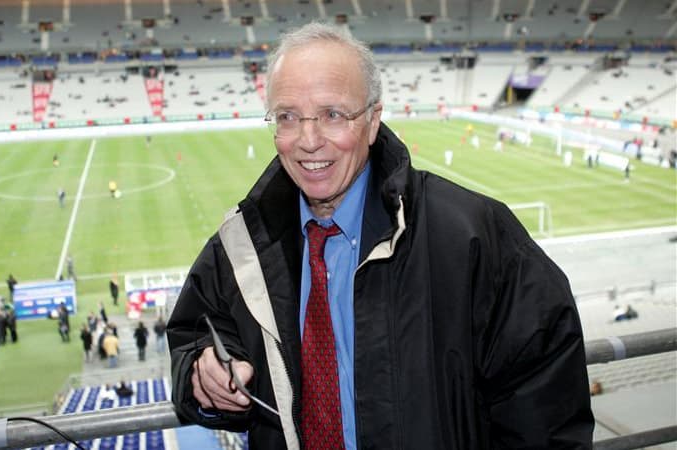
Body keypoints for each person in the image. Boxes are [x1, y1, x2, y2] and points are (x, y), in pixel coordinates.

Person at [166, 23, 593, 450]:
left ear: (372, 121)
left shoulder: (474, 235)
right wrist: (205, 377)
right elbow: (194, 336)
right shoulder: (243, 242)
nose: (308, 141)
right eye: (288, 117)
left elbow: (545, 410)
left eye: (333, 115)